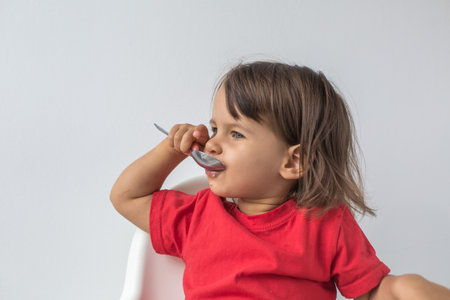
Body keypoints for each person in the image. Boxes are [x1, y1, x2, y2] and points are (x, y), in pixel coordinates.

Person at [110, 61, 450, 299]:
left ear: (293, 161)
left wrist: (405, 289)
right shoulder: (198, 216)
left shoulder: (326, 223)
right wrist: (170, 149)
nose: (211, 143)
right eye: (215, 129)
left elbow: (368, 291)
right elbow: (126, 196)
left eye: (236, 134)